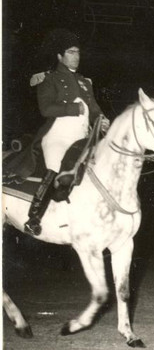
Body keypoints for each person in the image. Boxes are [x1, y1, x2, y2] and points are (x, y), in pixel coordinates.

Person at [17, 30, 109, 236]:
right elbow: (46, 109)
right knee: (56, 166)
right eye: (70, 52)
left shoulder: (85, 82)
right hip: (58, 136)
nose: (76, 56)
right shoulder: (49, 79)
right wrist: (73, 108)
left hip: (82, 138)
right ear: (60, 56)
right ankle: (35, 217)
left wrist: (102, 120)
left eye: (78, 52)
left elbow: (94, 109)